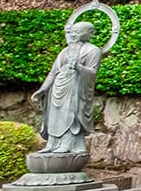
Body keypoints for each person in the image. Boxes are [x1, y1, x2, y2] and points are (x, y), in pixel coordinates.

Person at [31, 21, 101, 156]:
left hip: (76, 89)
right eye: (72, 32)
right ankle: (51, 143)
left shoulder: (93, 50)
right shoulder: (65, 50)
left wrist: (78, 67)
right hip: (58, 87)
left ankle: (68, 144)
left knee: (71, 115)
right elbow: (53, 72)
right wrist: (43, 89)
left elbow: (93, 72)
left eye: (78, 32)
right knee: (54, 115)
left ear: (90, 34)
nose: (74, 35)